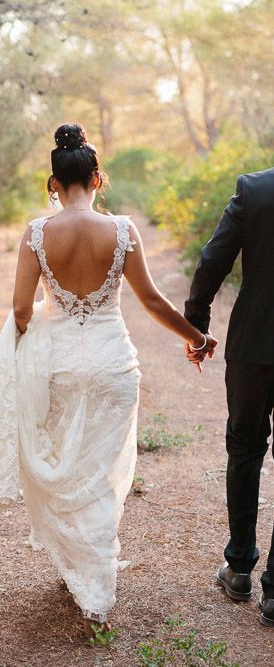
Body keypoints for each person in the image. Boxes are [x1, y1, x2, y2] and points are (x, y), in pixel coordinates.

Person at [0, 123, 216, 626]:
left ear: (52, 185)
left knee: (65, 464)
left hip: (60, 367)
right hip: (113, 367)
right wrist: (195, 335)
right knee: (101, 476)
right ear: (98, 178)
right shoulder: (122, 231)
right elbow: (150, 300)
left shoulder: (37, 234)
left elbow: (21, 310)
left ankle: (79, 568)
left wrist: (38, 334)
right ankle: (93, 575)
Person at [184, 166, 274, 627]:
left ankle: (239, 568)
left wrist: (196, 322)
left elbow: (213, 259)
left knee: (244, 449)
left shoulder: (255, 189)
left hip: (254, 345)